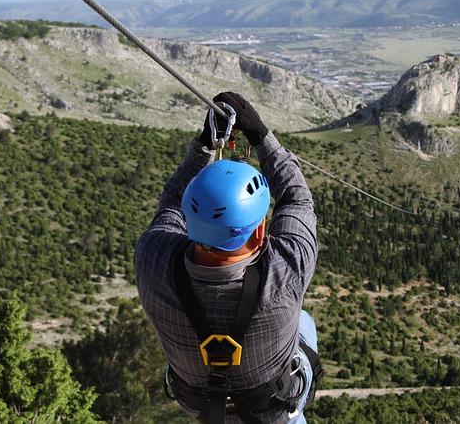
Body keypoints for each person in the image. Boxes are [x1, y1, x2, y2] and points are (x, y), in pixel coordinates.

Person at [135, 92, 321, 424]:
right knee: (304, 322)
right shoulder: (285, 273)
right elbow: (297, 199)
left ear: (190, 222)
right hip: (271, 405)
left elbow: (171, 203)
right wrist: (261, 135)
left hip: (198, 403)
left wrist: (207, 143)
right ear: (260, 233)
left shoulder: (153, 259)